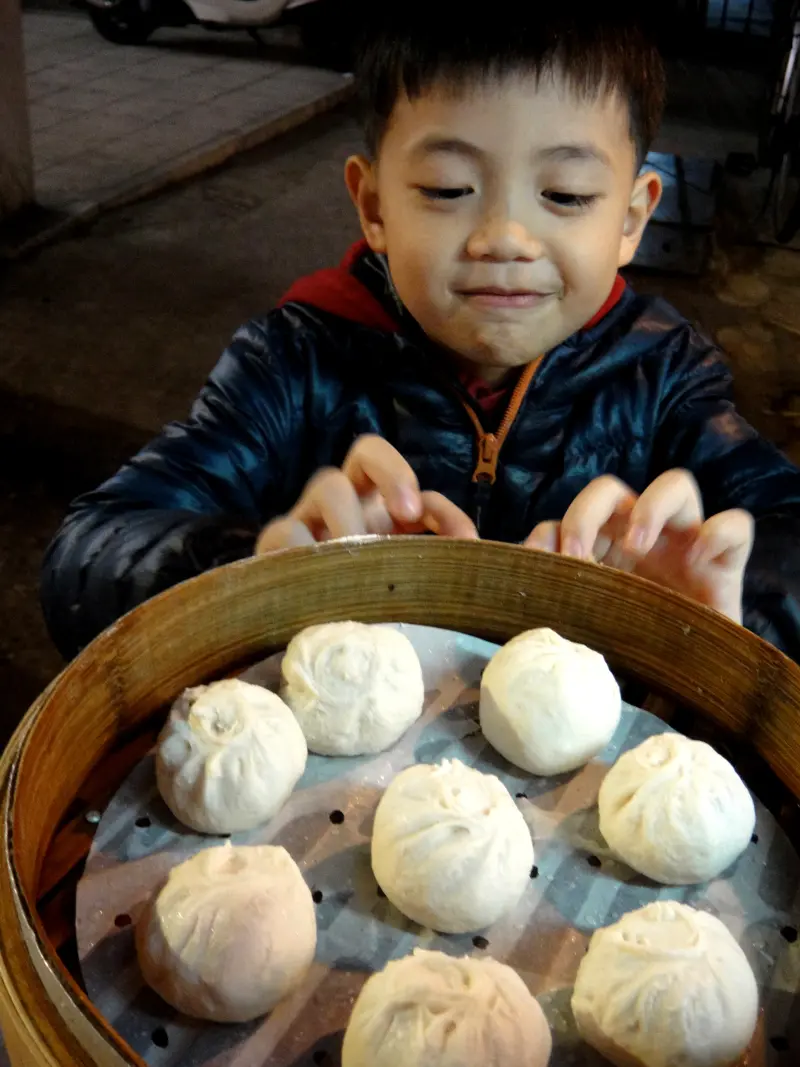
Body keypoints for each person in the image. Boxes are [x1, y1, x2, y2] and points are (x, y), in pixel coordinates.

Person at [41, 4, 800, 662]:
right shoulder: (297, 361)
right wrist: (260, 567)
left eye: (566, 194)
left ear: (633, 218)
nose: (506, 237)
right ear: (373, 206)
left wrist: (715, 596)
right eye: (448, 189)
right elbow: (84, 558)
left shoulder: (664, 376)